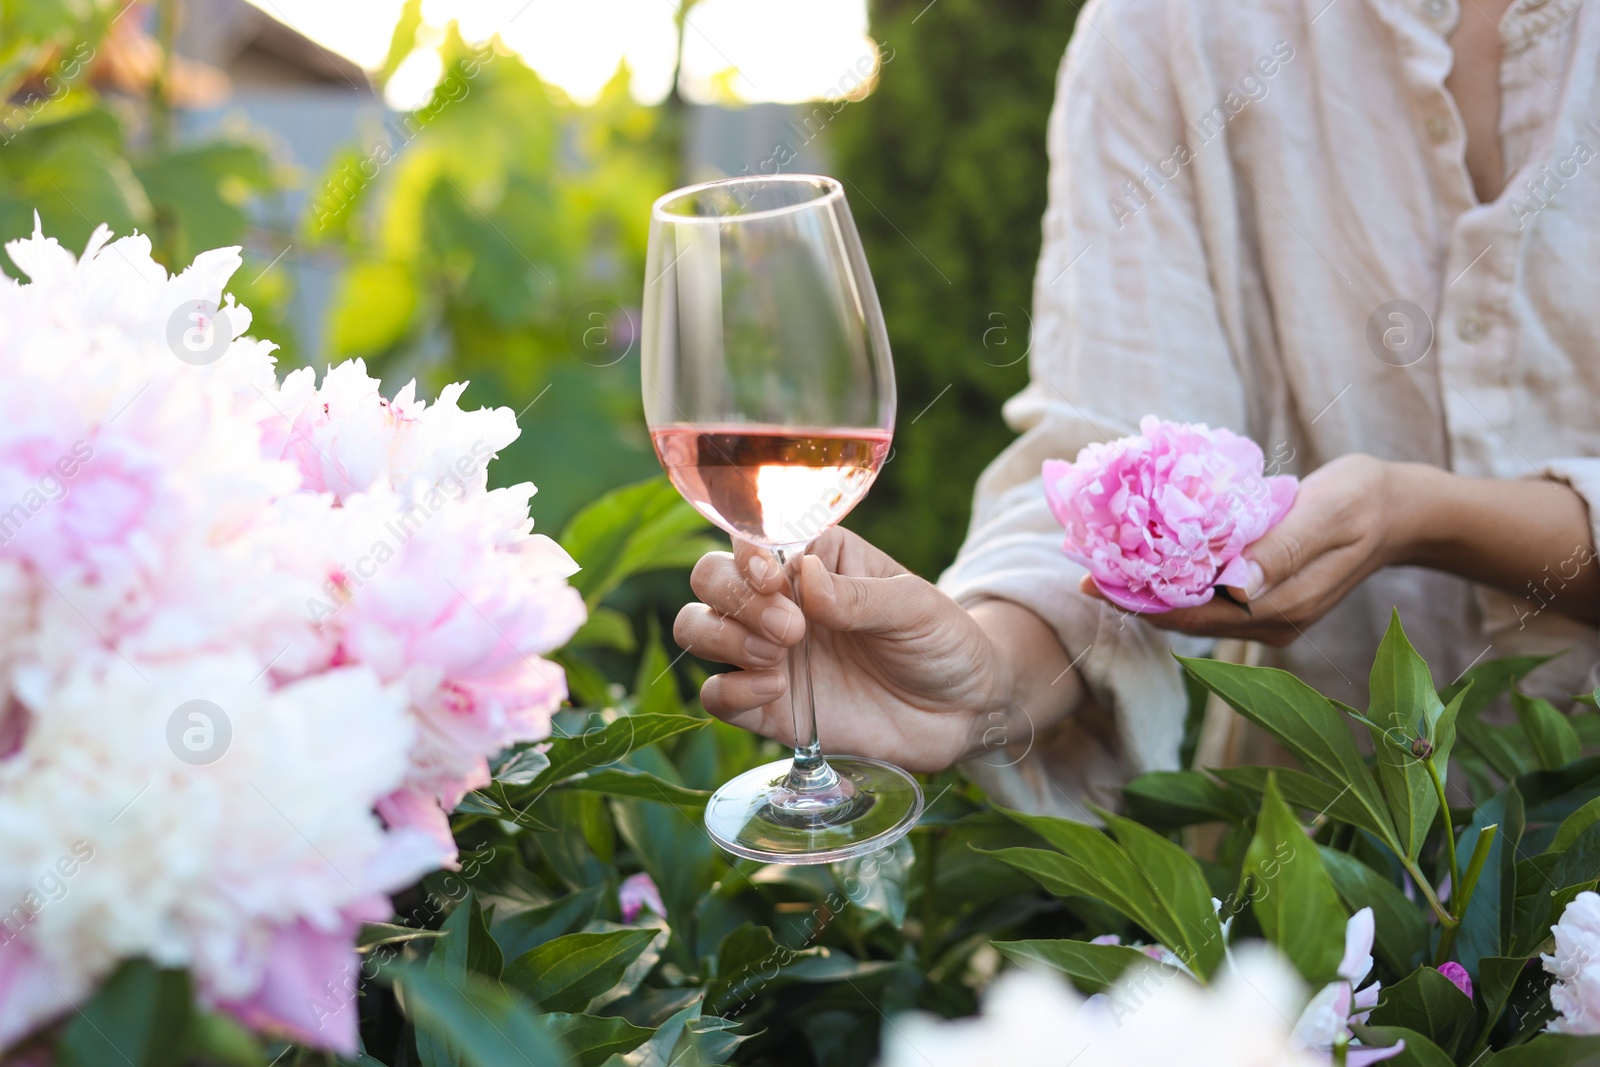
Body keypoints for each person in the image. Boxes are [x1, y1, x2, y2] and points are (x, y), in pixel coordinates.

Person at [672, 0, 1600, 817]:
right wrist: (977, 682)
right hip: (1329, 876)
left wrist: (1416, 516)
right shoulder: (1166, 25)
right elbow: (1107, 464)